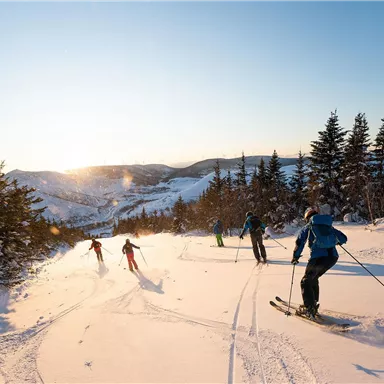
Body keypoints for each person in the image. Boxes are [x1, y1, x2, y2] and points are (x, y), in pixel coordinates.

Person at [291, 207, 347, 318]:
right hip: (332, 258)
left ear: (307, 218)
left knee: (306, 280)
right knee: (313, 278)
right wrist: (333, 242)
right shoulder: (328, 226)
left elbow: (300, 242)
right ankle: (313, 303)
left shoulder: (309, 226)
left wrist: (295, 256)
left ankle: (309, 308)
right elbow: (343, 238)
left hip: (317, 258)